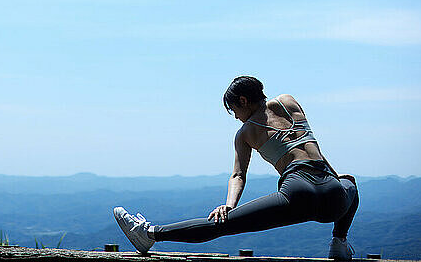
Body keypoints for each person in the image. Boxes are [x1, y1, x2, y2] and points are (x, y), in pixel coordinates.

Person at [113, 76, 359, 260]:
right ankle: (339, 241)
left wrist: (228, 208)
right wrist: (335, 181)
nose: (235, 116)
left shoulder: (245, 133)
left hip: (297, 192)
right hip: (333, 196)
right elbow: (312, 145)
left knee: (224, 225)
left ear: (243, 101)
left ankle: (149, 233)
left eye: (234, 110)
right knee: (351, 183)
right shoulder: (288, 102)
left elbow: (238, 175)